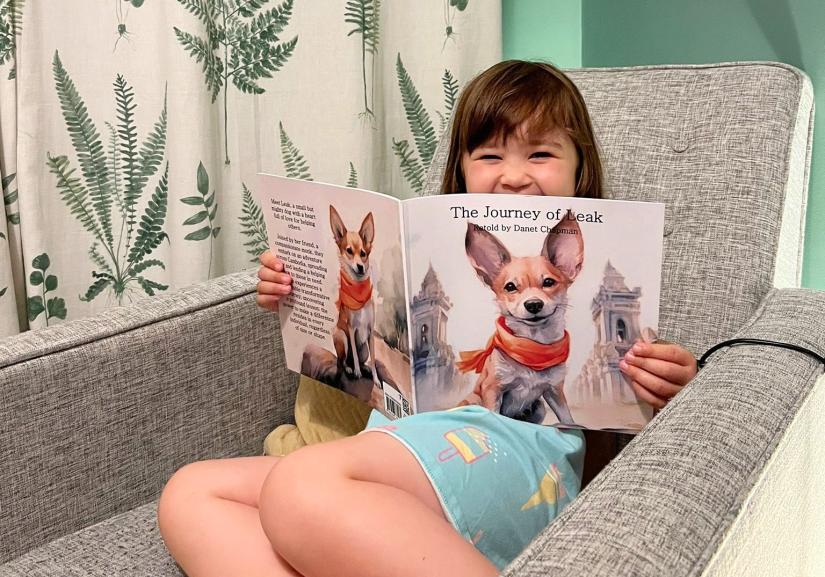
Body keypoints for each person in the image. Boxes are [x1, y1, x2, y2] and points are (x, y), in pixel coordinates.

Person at [158, 60, 698, 577]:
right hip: (400, 444)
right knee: (191, 493)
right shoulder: (436, 261)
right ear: (461, 170)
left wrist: (672, 387)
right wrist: (296, 291)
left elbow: (622, 416)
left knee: (298, 486)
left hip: (512, 457)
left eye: (540, 154)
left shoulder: (603, 290)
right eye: (489, 156)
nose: (513, 176)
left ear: (580, 172)